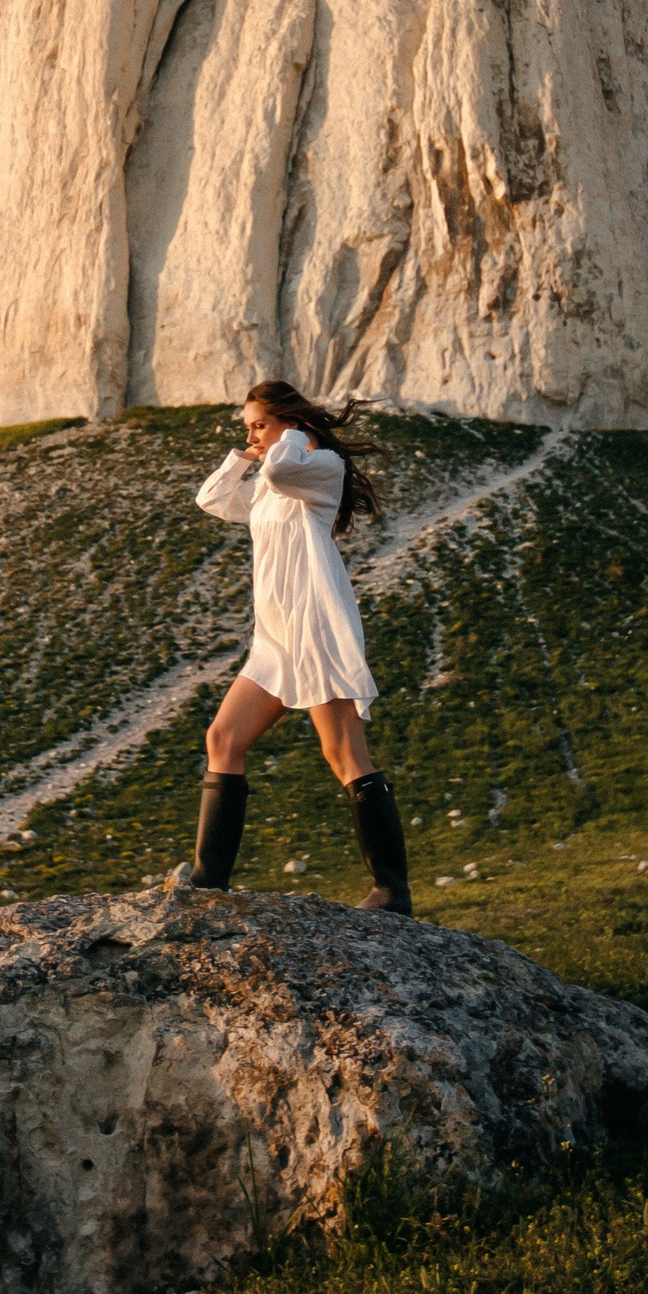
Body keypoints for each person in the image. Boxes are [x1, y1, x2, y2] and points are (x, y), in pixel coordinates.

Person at [176, 378, 412, 915]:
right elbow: (211, 498)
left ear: (292, 423)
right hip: (275, 639)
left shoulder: (320, 467)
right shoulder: (268, 482)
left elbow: (281, 470)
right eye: (248, 428)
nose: (252, 436)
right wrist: (244, 453)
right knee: (223, 738)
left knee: (344, 754)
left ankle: (391, 891)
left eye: (259, 425)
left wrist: (290, 440)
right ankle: (209, 883)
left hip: (316, 630)